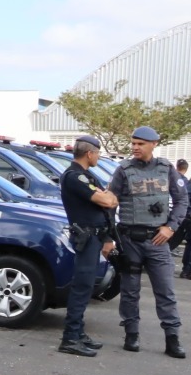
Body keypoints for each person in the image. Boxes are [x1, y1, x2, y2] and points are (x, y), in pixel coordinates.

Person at [108, 126, 188, 357]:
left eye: (140, 144)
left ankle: (172, 338)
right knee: (130, 290)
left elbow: (182, 200)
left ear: (154, 144)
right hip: (130, 240)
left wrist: (171, 227)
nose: (135, 147)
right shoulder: (123, 170)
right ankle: (131, 334)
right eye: (133, 143)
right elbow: (110, 203)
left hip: (157, 241)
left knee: (165, 291)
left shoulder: (166, 168)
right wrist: (109, 237)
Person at [56, 135, 117, 357]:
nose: (98, 157)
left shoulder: (87, 175)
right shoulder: (74, 176)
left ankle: (78, 333)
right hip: (87, 238)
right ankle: (70, 338)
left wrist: (107, 197)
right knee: (81, 286)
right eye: (98, 153)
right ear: (89, 153)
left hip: (95, 237)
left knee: (86, 285)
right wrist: (106, 196)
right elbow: (107, 200)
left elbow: (110, 200)